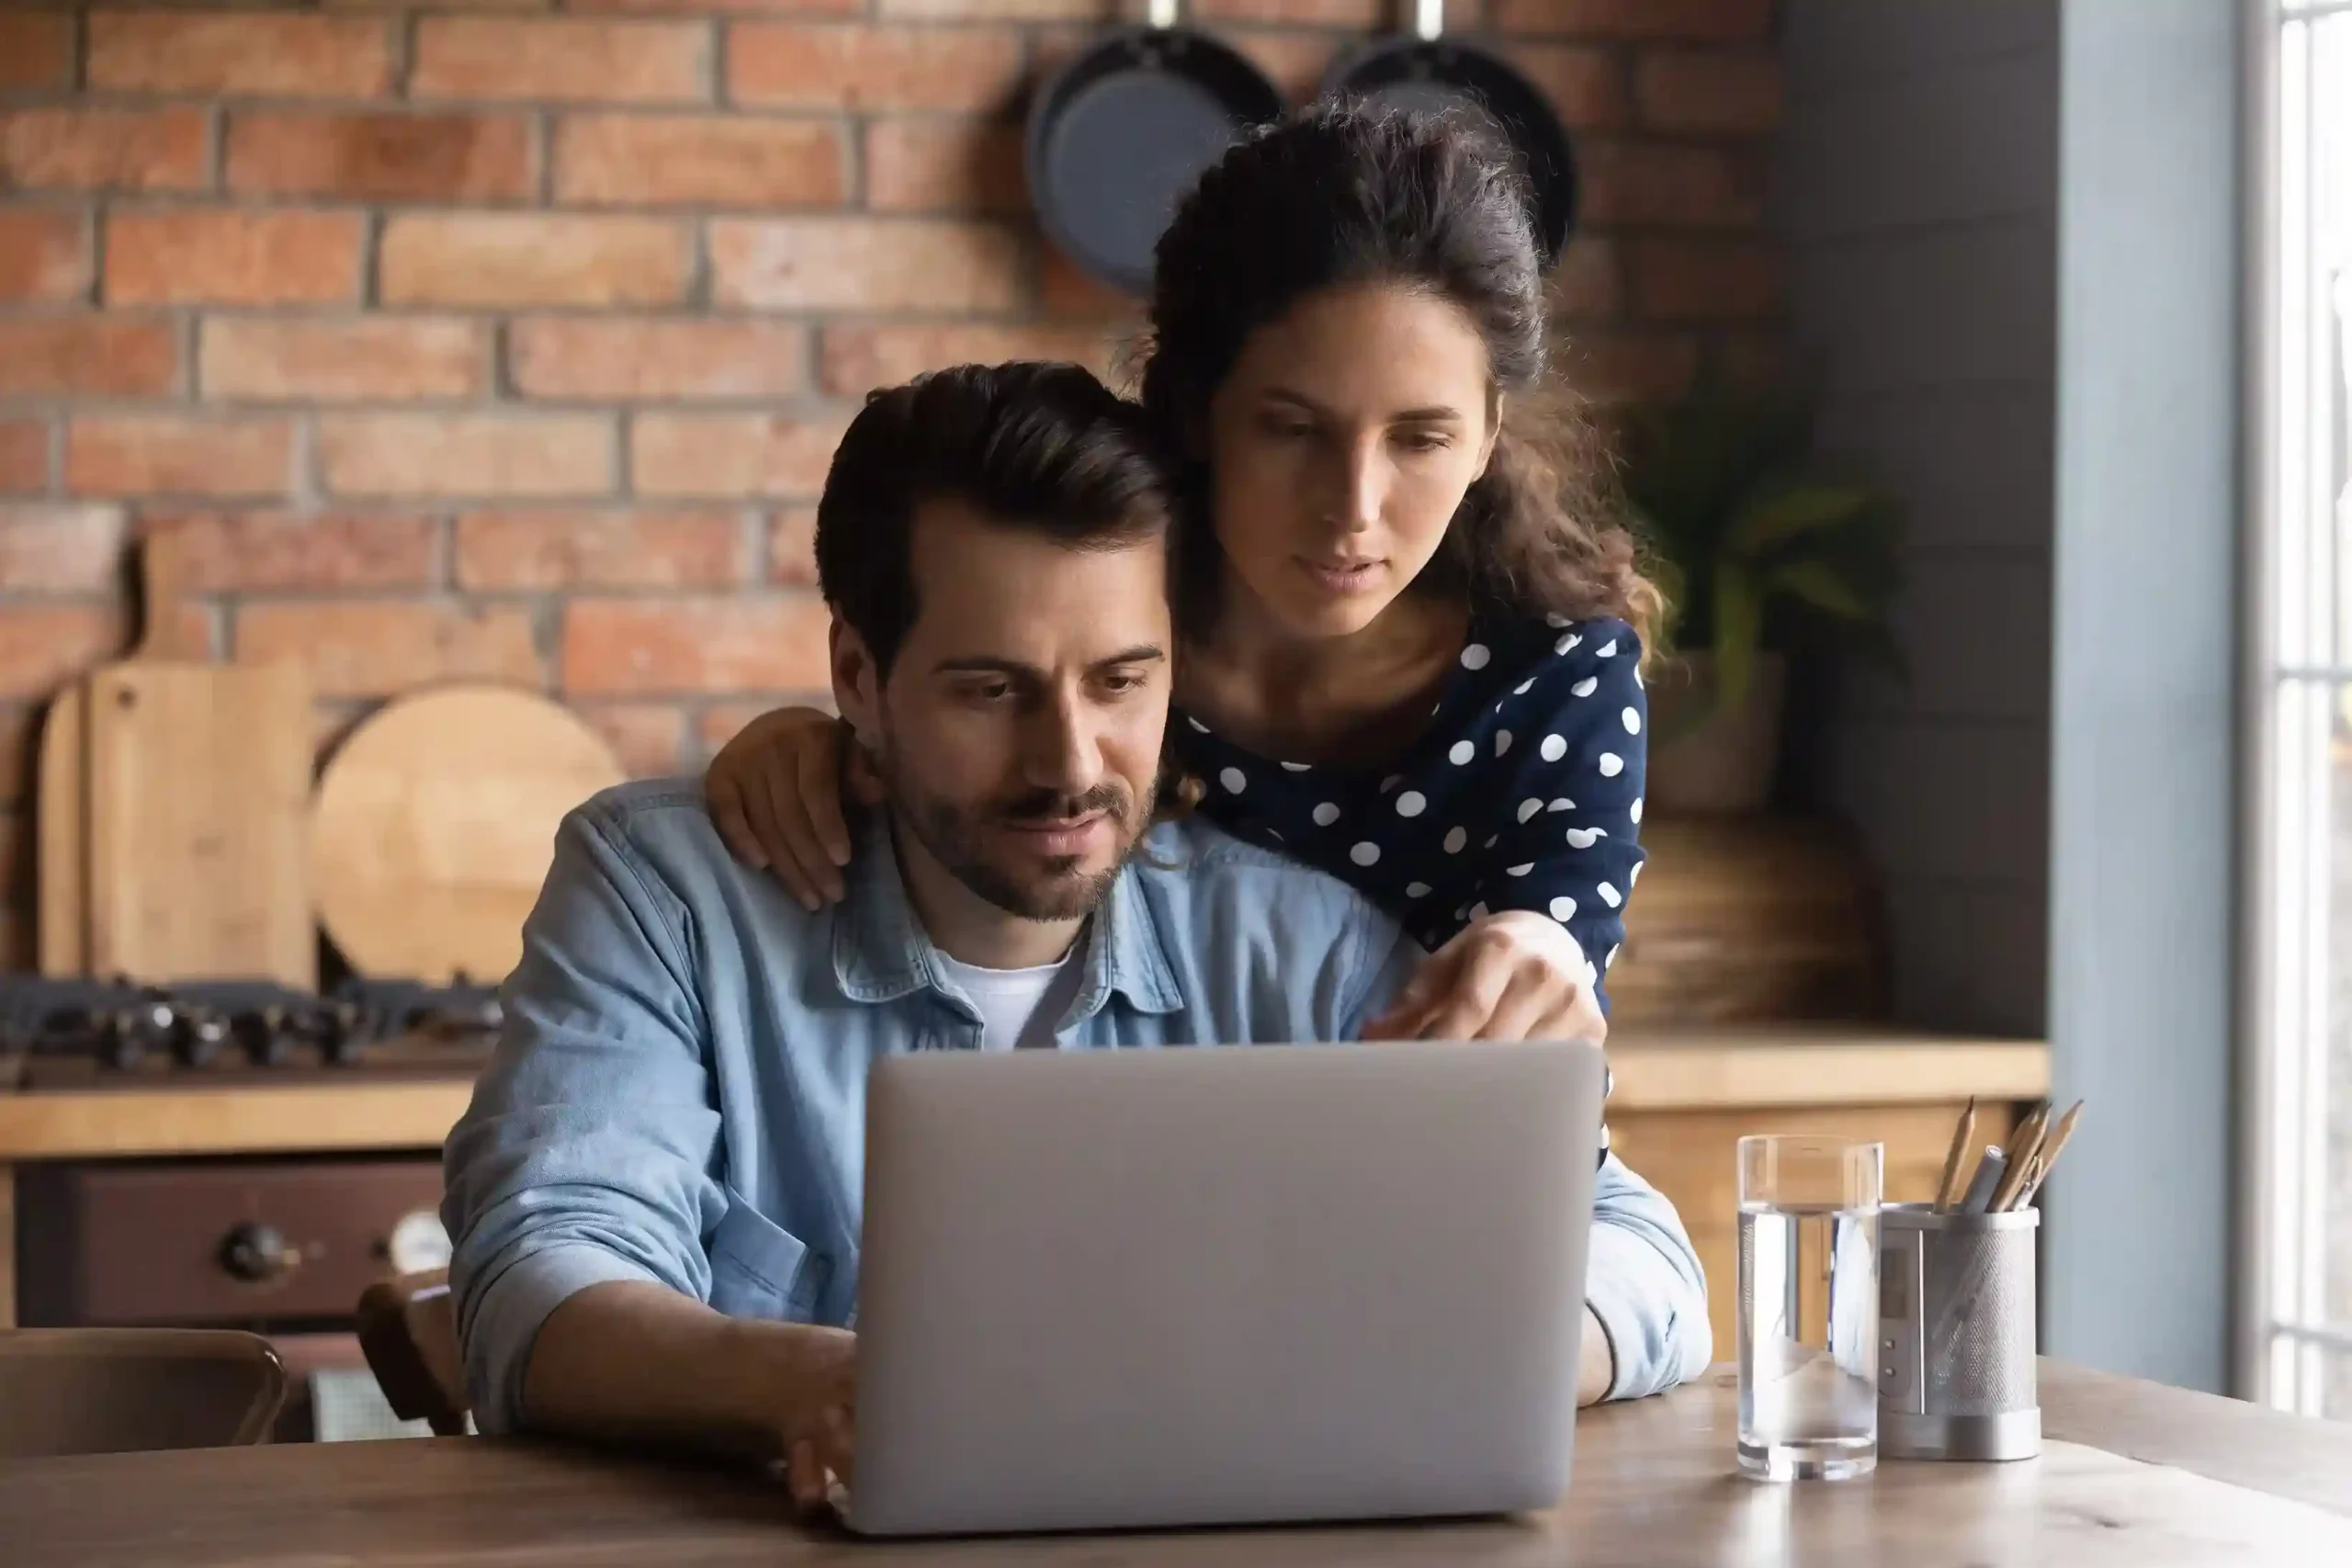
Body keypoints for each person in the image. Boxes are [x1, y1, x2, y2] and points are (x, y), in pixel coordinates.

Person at [440, 363, 1712, 1517]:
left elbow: (1643, 1259)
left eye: (1119, 681)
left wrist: (1457, 1365)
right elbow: (538, 1278)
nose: (1068, 764)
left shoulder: (1300, 944)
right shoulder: (665, 893)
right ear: (860, 678)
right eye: (991, 689)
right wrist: (807, 1383)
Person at [703, 101, 1662, 1053]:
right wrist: (818, 747)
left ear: (1488, 434)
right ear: (1197, 410)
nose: (1353, 506)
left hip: (1424, 1137)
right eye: (1293, 429)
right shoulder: (1115, 610)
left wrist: (1544, 951)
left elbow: (1555, 967)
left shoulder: (1556, 676)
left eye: (1420, 438)